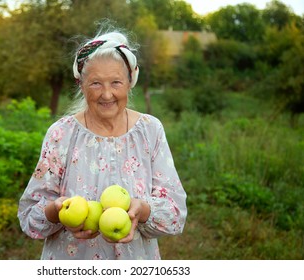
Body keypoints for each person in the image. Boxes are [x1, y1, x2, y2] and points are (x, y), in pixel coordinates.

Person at [17, 29, 187, 260]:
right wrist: (56, 212)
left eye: (116, 82)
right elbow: (30, 218)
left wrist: (144, 211)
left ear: (130, 82)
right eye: (96, 83)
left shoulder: (150, 130)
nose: (107, 94)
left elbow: (175, 213)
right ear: (81, 84)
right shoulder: (61, 134)